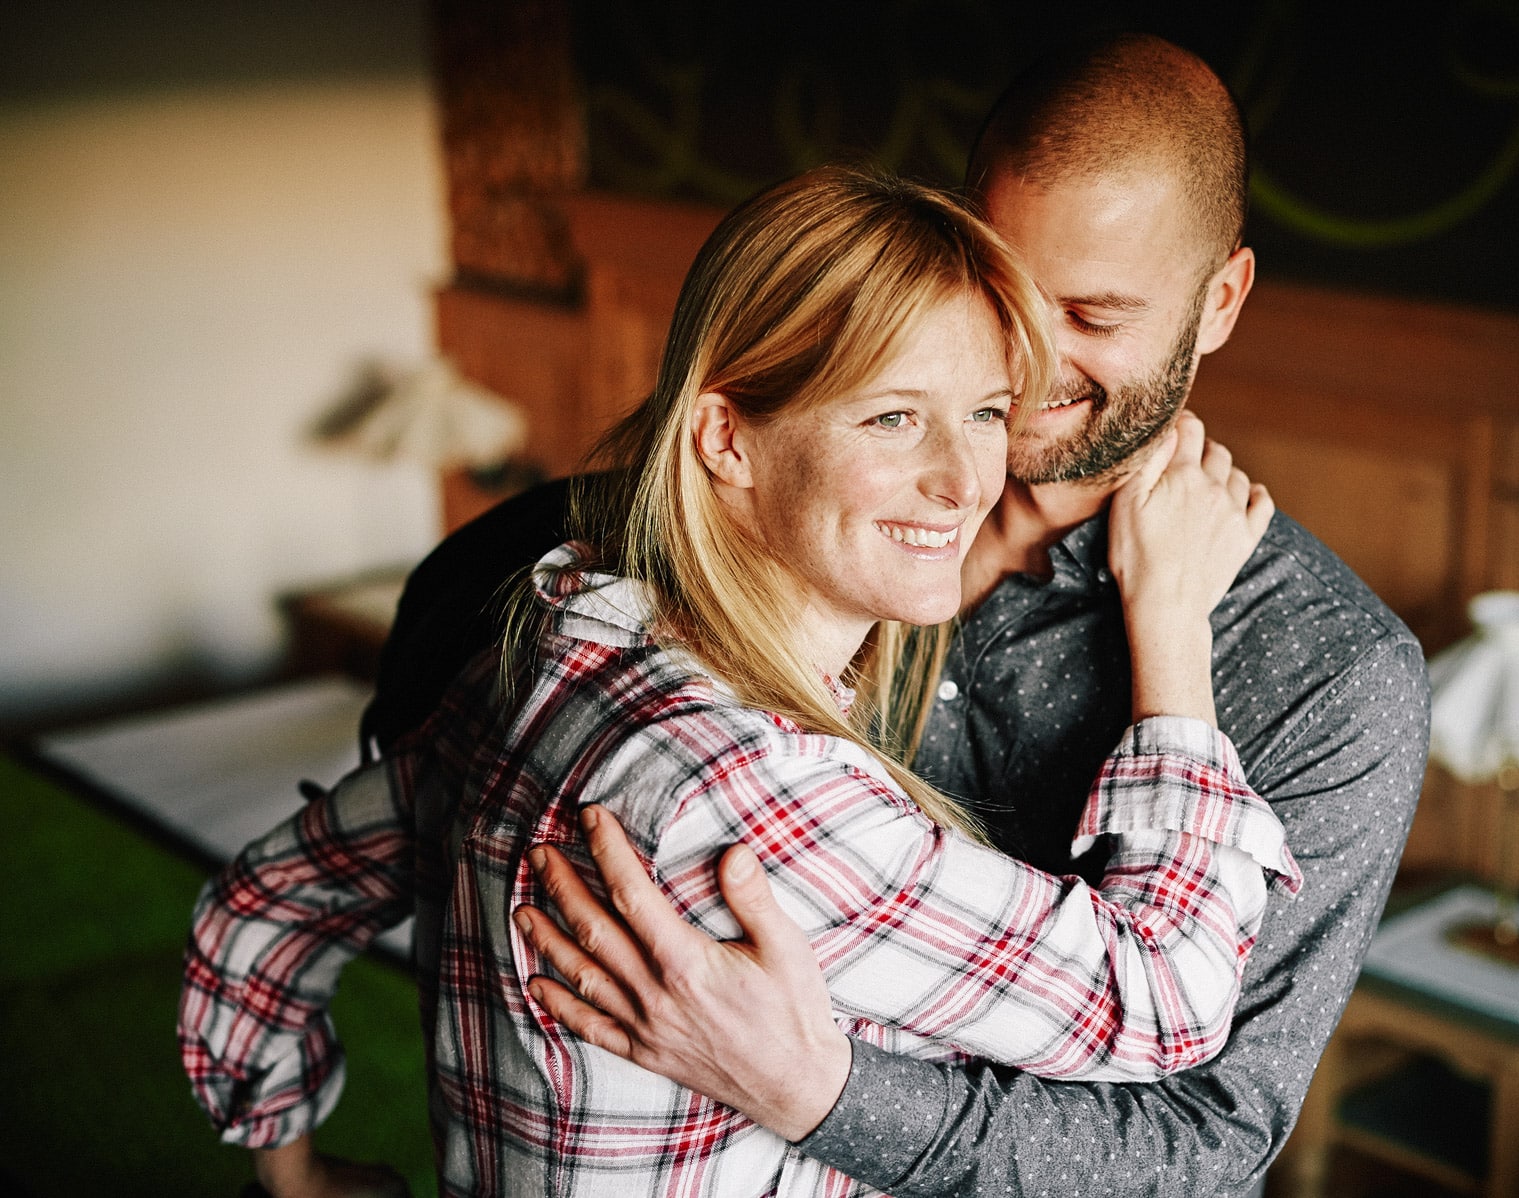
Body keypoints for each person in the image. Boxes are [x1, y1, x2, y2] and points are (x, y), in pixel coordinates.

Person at [180, 164, 1292, 1198]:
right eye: (893, 415)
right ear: (725, 435)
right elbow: (1168, 1002)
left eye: (988, 412)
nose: (965, 480)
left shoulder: (563, 638)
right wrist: (1175, 633)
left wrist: (298, 1179)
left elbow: (260, 909)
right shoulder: (761, 792)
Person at [500, 33, 1432, 1197]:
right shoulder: (821, 500)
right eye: (1008, 287)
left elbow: (1205, 1141)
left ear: (1220, 301)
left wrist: (820, 1092)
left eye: (1095, 315)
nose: (1032, 352)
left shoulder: (1330, 670)